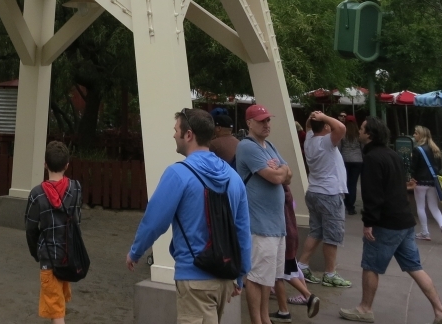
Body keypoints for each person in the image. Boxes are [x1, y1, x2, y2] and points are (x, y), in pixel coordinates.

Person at [127, 110, 250, 324]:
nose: (174, 135)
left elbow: (154, 222)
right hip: (225, 277)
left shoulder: (178, 174)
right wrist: (240, 274)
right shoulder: (233, 178)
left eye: (176, 130)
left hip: (194, 277)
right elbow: (243, 231)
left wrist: (136, 251)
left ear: (189, 134)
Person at [339, 118, 442, 324]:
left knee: (371, 265)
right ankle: (440, 311)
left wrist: (369, 222)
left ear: (370, 135)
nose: (359, 132)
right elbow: (399, 186)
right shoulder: (392, 155)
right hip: (405, 220)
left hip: (386, 222)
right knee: (415, 267)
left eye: (363, 129)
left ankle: (365, 309)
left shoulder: (372, 159)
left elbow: (373, 194)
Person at [235, 104, 290, 324]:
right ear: (249, 123)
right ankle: (257, 320)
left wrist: (281, 171)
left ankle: (265, 318)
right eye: (261, 121)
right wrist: (280, 171)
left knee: (268, 278)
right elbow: (278, 177)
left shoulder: (270, 146)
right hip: (258, 225)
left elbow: (289, 172)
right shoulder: (247, 147)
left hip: (276, 225)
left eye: (268, 120)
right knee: (256, 277)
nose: (266, 124)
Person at [28, 141, 85, 324]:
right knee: (59, 304)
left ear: (45, 164)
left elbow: (30, 228)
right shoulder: (76, 189)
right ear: (67, 165)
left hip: (49, 258)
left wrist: (37, 251)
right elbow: (77, 219)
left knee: (57, 311)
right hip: (69, 256)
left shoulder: (37, 194)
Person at [296, 111, 350, 288]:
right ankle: (330, 273)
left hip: (314, 192)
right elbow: (341, 127)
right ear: (326, 126)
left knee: (316, 231)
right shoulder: (326, 142)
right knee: (331, 236)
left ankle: (302, 265)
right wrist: (325, 116)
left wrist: (312, 117)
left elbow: (308, 126)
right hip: (329, 194)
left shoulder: (310, 140)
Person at [272, 183, 320, 321]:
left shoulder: (277, 192)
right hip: (291, 235)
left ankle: (307, 296)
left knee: (281, 274)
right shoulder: (287, 191)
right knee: (290, 270)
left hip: (284, 236)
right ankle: (285, 309)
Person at [411, 126, 442, 243]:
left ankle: (424, 232)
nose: (414, 135)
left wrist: (411, 178)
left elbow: (414, 168)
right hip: (433, 182)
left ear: (421, 136)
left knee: (420, 207)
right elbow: (440, 167)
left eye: (416, 133)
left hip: (419, 182)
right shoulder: (435, 149)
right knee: (434, 207)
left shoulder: (417, 150)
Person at [340, 121, 363, 216]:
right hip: (357, 160)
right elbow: (363, 147)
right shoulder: (358, 135)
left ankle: (347, 201)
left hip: (345, 159)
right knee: (353, 184)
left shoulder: (343, 134)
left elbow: (339, 147)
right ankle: (351, 206)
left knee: (346, 182)